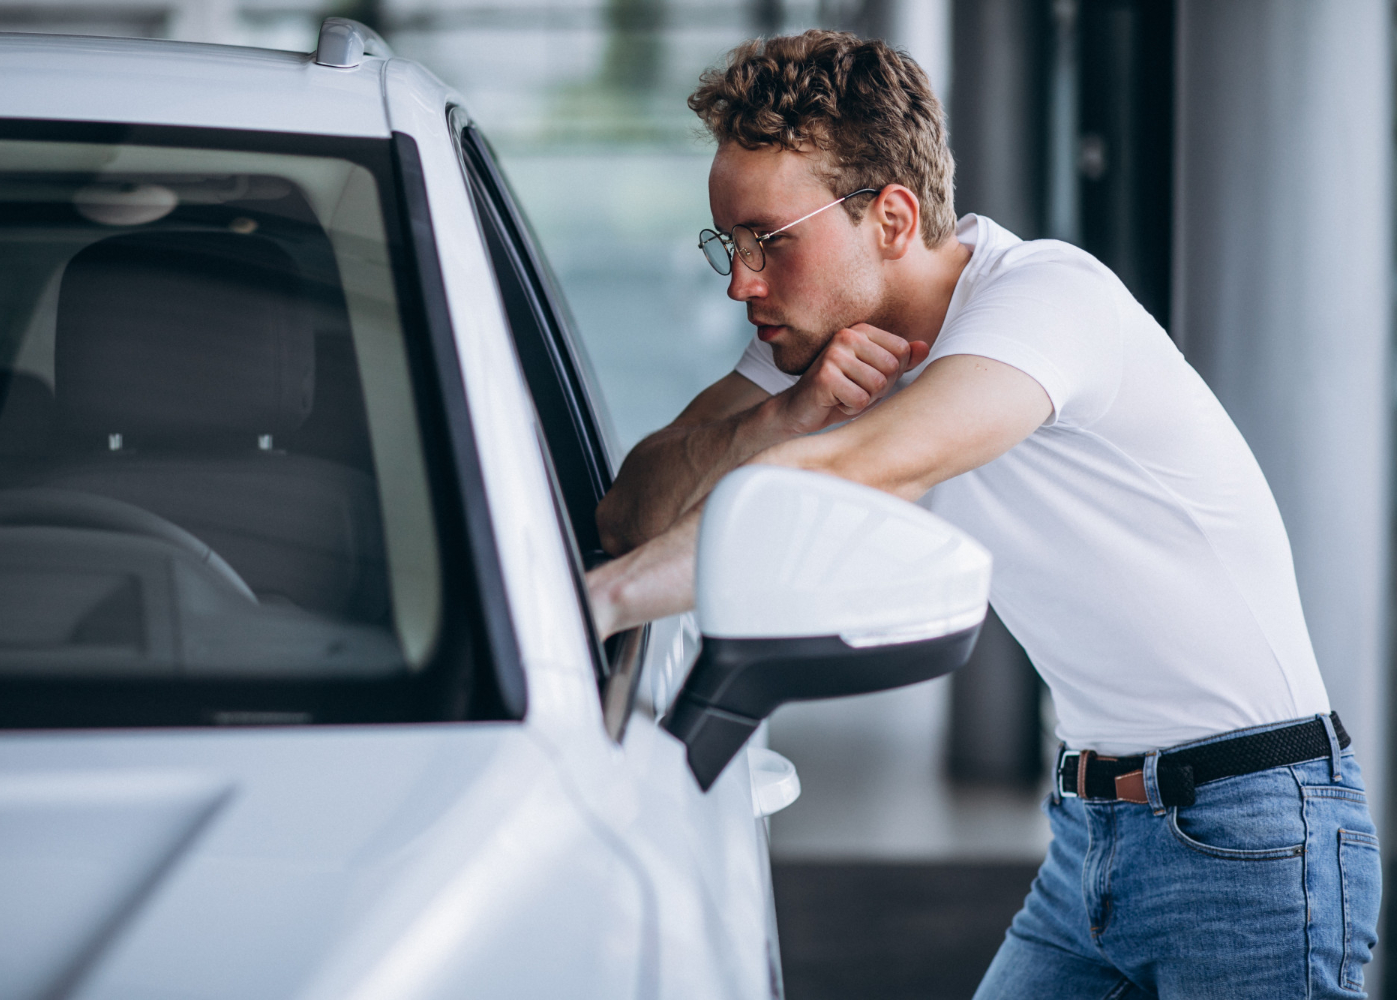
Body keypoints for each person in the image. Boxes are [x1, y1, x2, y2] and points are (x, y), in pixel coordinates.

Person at [584, 29, 1381, 999]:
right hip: (1092, 828)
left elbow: (858, 471)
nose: (740, 281)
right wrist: (784, 411)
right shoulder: (827, 341)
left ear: (891, 217)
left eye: (771, 242)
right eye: (730, 243)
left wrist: (593, 609)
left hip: (1247, 827)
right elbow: (633, 506)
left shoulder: (1045, 301)